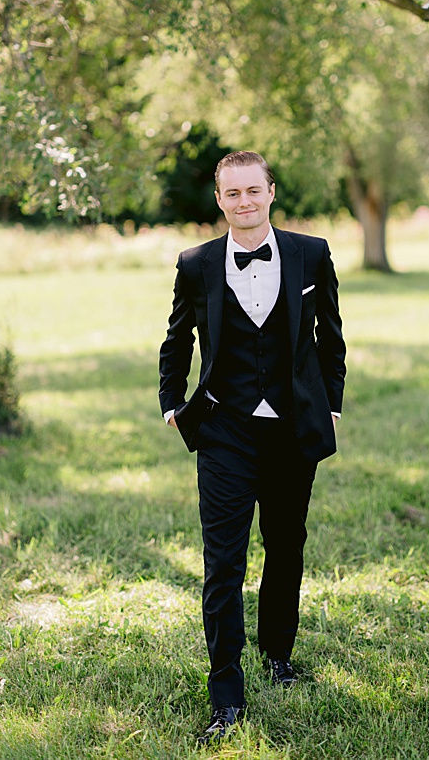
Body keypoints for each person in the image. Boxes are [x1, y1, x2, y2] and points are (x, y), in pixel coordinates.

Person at [157, 150, 346, 744]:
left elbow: (330, 334)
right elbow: (176, 338)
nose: (243, 201)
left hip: (293, 430)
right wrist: (171, 400)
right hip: (224, 432)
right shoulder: (196, 264)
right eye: (231, 193)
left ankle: (279, 656)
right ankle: (227, 695)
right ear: (219, 200)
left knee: (286, 547)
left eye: (252, 191)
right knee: (223, 564)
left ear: (270, 192)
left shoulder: (311, 253)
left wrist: (330, 401)